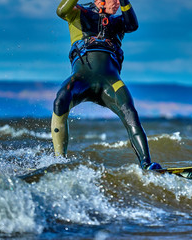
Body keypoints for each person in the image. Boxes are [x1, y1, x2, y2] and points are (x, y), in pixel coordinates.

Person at [52, 0, 162, 170]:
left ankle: (146, 164)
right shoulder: (78, 14)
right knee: (61, 100)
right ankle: (59, 161)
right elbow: (61, 10)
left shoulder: (118, 23)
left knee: (130, 112)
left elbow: (133, 25)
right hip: (82, 79)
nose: (117, 3)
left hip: (111, 82)